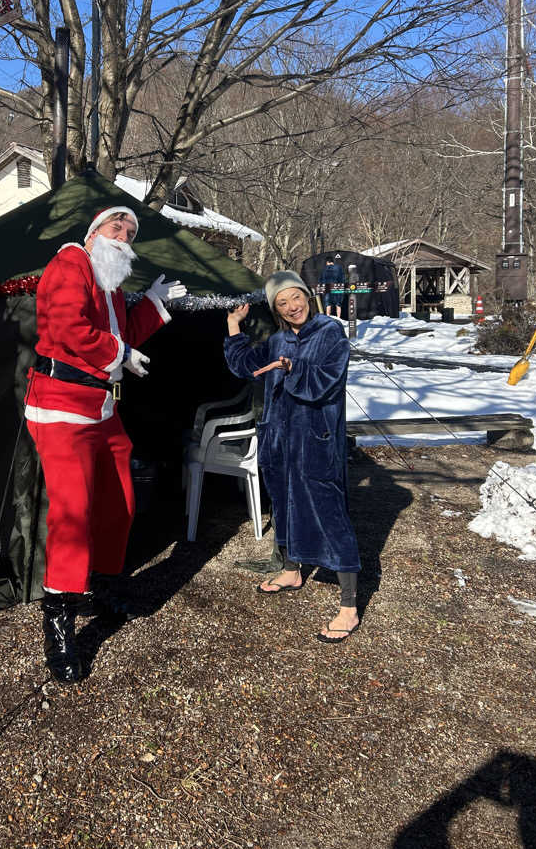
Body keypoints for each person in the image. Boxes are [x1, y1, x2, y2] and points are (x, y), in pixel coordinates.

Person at [25, 206, 187, 683]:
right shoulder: (70, 262)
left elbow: (121, 337)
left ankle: (104, 586)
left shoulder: (109, 281)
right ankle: (59, 624)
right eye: (117, 226)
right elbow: (70, 328)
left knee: (120, 502)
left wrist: (152, 305)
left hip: (101, 406)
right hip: (60, 405)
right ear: (94, 232)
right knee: (72, 514)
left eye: (131, 232)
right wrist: (121, 352)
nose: (124, 235)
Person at [224, 270, 360, 643]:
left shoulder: (330, 332)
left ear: (306, 296)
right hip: (279, 440)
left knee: (329, 513)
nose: (291, 307)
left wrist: (293, 368)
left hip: (316, 440)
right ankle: (291, 570)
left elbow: (325, 382)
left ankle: (349, 606)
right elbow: (247, 365)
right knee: (284, 505)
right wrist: (234, 327)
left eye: (295, 297)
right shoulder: (279, 338)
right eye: (281, 303)